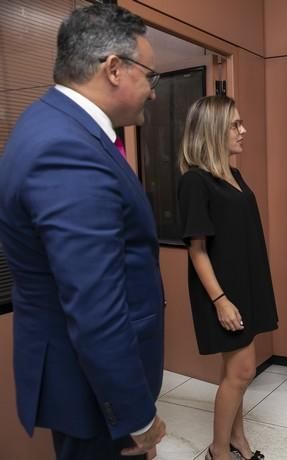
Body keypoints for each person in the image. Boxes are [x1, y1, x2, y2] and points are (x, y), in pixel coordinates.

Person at [0, 4, 166, 460]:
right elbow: (94, 305)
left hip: (88, 382)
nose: (153, 93)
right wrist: (137, 416)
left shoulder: (53, 126)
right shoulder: (65, 148)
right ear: (114, 69)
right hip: (91, 391)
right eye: (149, 76)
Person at [177, 95, 277, 460]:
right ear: (213, 131)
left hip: (244, 285)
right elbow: (197, 249)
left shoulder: (233, 174)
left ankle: (238, 439)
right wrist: (220, 300)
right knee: (242, 371)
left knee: (235, 372)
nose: (243, 130)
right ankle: (219, 451)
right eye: (235, 124)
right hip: (222, 292)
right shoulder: (195, 182)